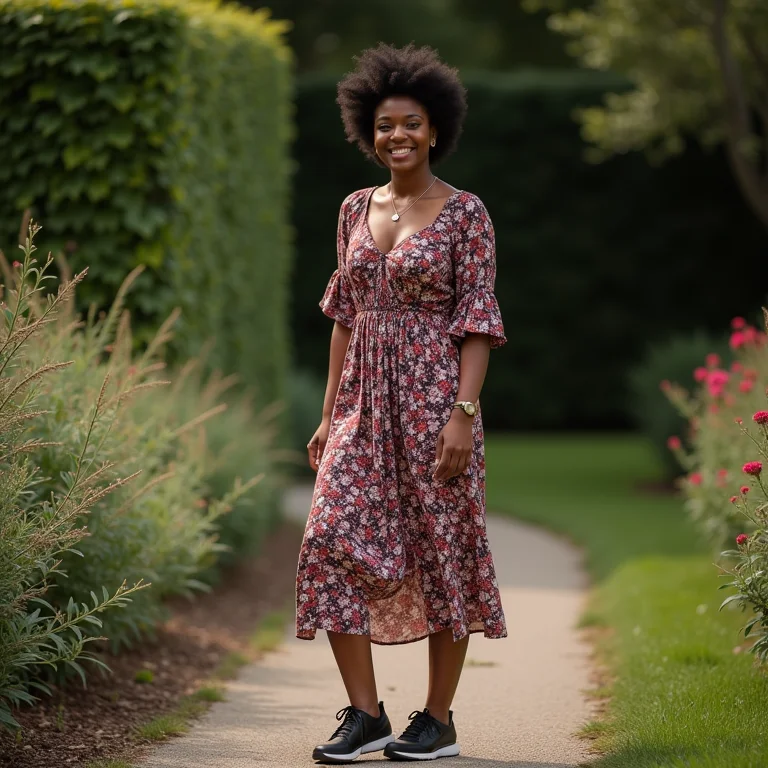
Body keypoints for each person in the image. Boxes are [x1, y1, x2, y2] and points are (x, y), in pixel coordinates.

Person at [297, 42, 508, 763]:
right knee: (328, 538)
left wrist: (462, 415)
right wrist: (328, 413)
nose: (397, 136)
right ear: (369, 129)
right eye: (385, 124)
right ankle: (365, 715)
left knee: (444, 552)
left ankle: (438, 720)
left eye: (411, 123)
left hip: (433, 406)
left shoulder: (465, 213)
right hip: (362, 405)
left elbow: (477, 324)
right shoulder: (354, 208)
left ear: (435, 128)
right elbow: (344, 318)